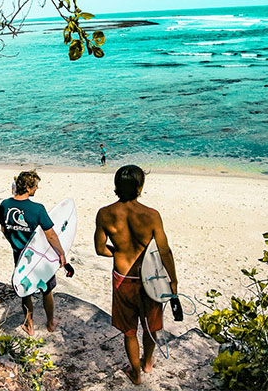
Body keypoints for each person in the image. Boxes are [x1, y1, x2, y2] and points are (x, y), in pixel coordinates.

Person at [94, 165, 180, 385]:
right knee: (150, 326)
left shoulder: (105, 213)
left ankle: (135, 373)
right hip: (150, 279)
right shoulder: (151, 215)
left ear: (116, 186)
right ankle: (148, 362)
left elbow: (100, 249)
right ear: (140, 187)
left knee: (129, 330)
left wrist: (118, 252)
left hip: (123, 278)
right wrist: (173, 280)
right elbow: (164, 250)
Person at [0, 170, 66, 336]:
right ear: (28, 188)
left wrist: (14, 243)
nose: (37, 188)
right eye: (35, 185)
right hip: (39, 257)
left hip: (19, 256)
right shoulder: (37, 209)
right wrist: (61, 253)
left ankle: (30, 326)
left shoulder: (5, 205)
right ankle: (50, 323)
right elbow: (51, 235)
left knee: (25, 289)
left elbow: (4, 229)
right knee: (46, 289)